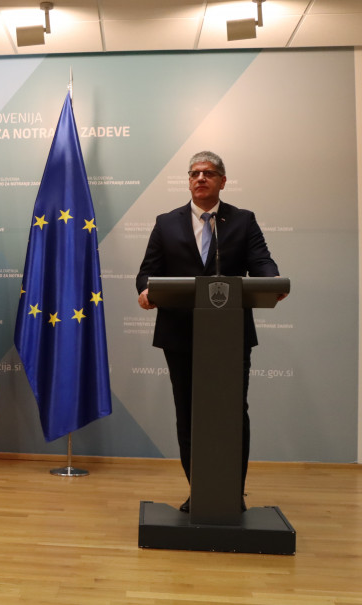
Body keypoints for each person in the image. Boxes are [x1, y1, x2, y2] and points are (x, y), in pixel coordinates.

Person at [135, 151, 284, 513]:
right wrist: (144, 291)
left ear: (222, 181)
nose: (200, 178)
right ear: (189, 181)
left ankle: (232, 491)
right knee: (188, 415)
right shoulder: (166, 222)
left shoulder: (241, 221)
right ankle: (199, 489)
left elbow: (261, 261)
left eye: (209, 173)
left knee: (233, 414)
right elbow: (147, 272)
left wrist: (271, 281)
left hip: (229, 338)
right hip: (180, 336)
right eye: (195, 173)